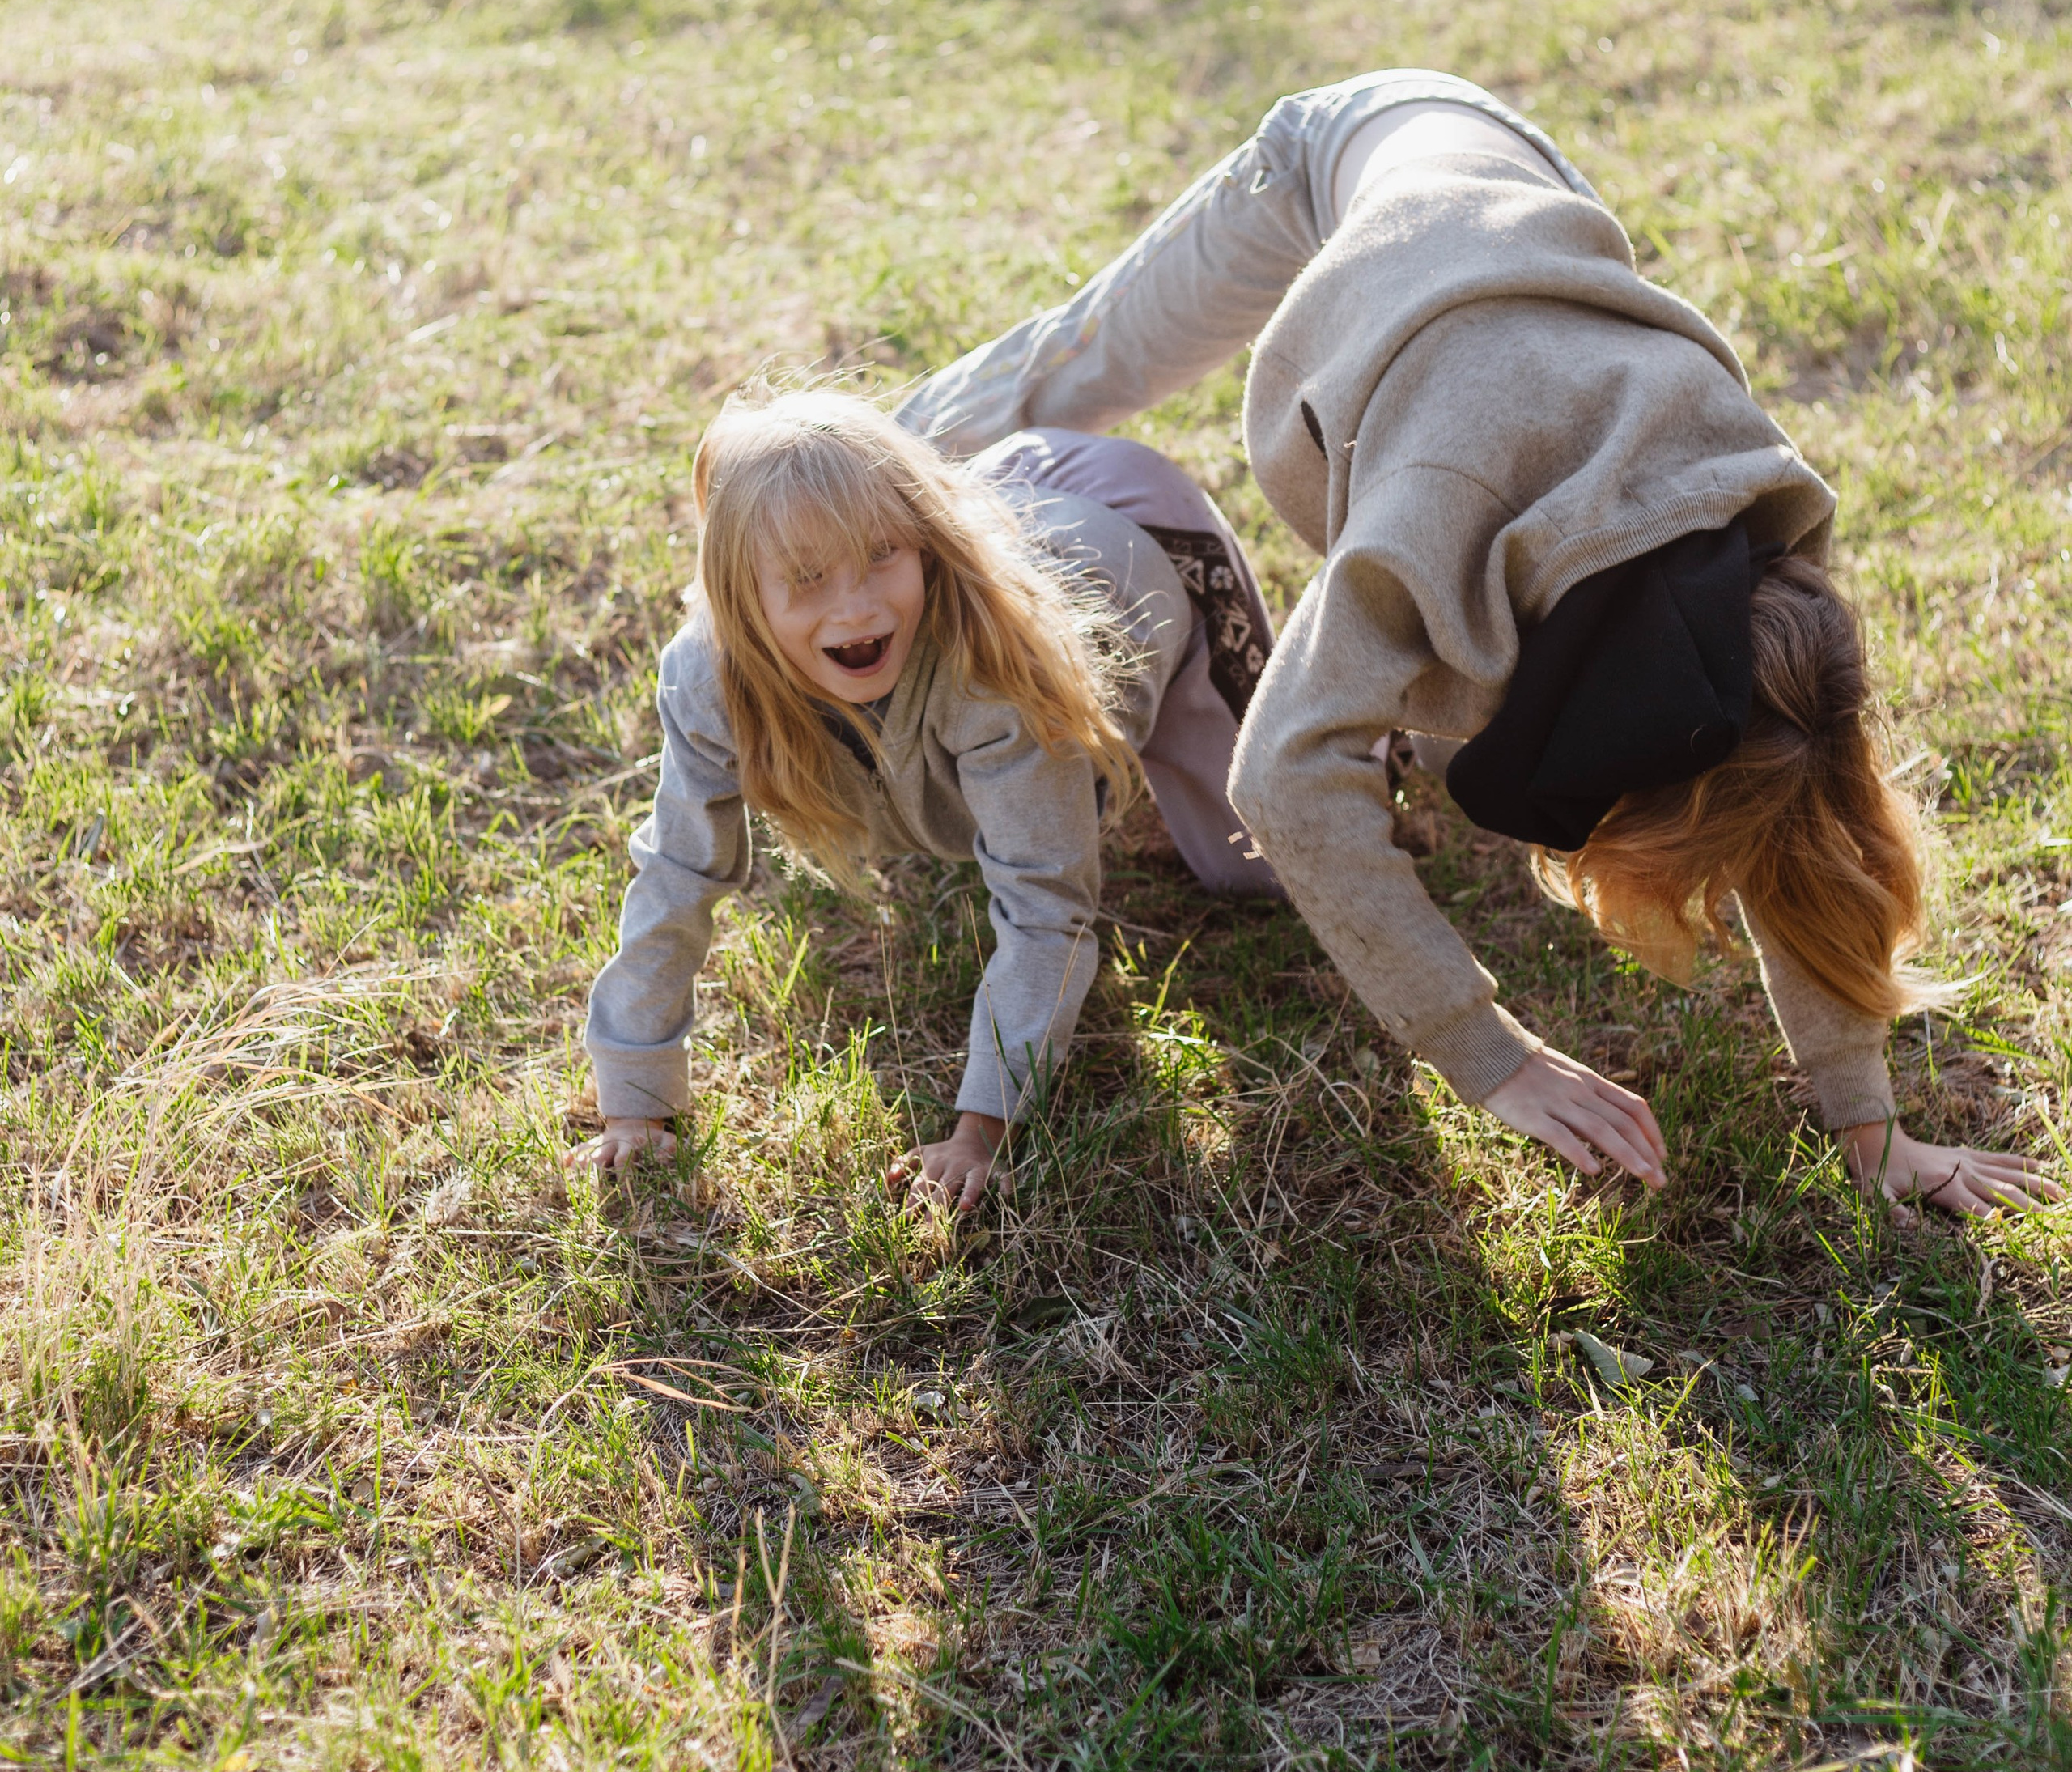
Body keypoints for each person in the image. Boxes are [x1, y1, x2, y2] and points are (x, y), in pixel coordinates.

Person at [898, 69, 2048, 1223]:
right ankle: (821, 488)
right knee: (1073, 372)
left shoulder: (1762, 553)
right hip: (1354, 153)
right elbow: (1283, 778)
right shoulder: (1433, 514)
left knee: (1534, 724)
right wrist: (1490, 1053)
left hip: (1508, 231)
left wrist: (1869, 1122)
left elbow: (1803, 825)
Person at [578, 387, 1279, 1210]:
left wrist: (980, 1131)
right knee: (970, 802)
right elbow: (676, 876)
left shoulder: (995, 671)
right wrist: (636, 1100)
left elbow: (1046, 906)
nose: (859, 604)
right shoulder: (709, 675)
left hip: (1139, 535)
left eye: (884, 555)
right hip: (1007, 491)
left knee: (1262, 861)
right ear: (740, 597)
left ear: (922, 547)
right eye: (806, 575)